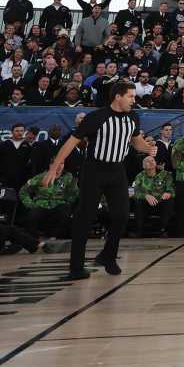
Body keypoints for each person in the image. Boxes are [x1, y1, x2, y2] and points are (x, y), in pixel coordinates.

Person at [42, 81, 155, 279]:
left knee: (121, 216)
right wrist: (53, 168)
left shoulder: (133, 117)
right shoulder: (97, 117)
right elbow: (71, 143)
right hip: (94, 170)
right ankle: (76, 267)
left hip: (117, 170)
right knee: (84, 218)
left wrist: (147, 148)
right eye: (130, 96)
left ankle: (107, 256)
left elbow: (135, 140)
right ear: (118, 96)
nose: (133, 100)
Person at [131, 153, 175, 236]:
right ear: (143, 166)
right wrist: (145, 195)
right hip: (146, 205)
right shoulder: (139, 176)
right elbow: (136, 192)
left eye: (152, 160)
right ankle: (139, 231)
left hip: (161, 203)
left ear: (155, 163)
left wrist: (168, 193)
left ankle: (163, 230)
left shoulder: (166, 175)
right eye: (147, 161)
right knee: (138, 201)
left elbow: (172, 190)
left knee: (169, 201)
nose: (151, 162)